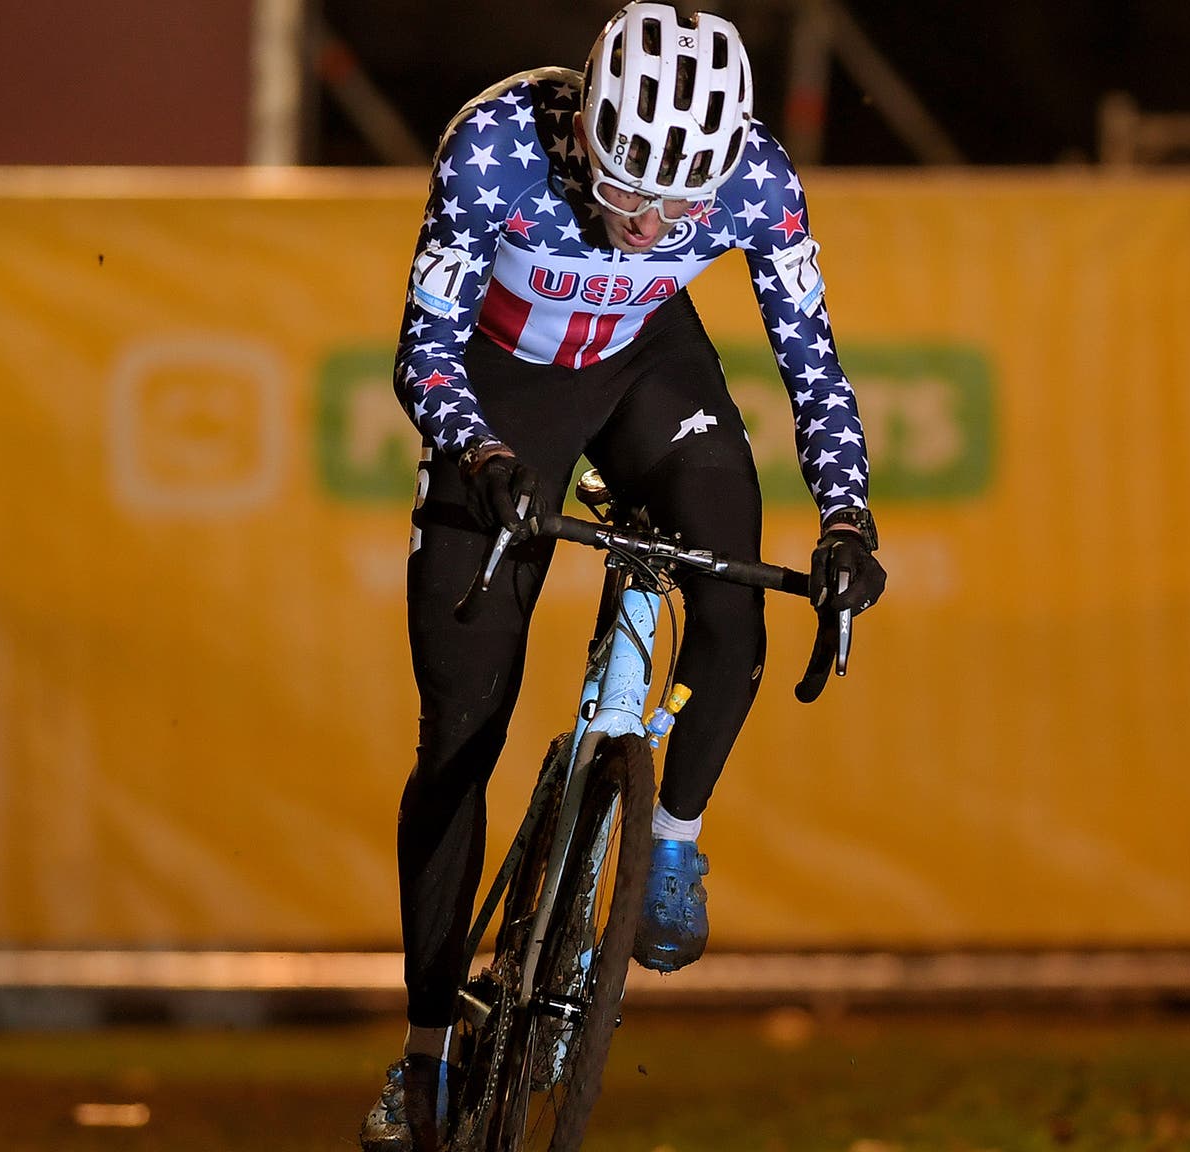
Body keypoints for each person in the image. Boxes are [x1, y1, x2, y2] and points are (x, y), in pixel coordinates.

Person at [361, 6, 886, 1149]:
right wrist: (485, 455)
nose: (649, 230)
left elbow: (810, 358)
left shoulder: (753, 174)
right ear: (586, 133)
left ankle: (674, 841)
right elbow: (423, 348)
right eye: (624, 195)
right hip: (504, 393)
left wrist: (847, 518)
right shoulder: (495, 146)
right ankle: (424, 1051)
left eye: (678, 210)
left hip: (645, 369)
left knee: (731, 604)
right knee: (459, 733)